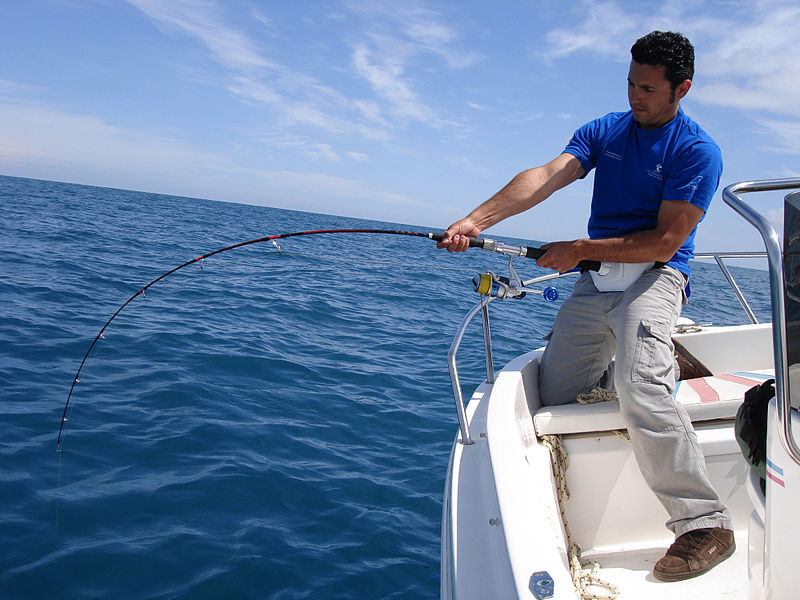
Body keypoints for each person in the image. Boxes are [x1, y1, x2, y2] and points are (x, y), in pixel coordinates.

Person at [437, 30, 734, 582]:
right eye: (629, 83)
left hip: (657, 275)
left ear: (681, 88)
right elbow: (547, 176)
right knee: (555, 396)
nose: (634, 96)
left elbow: (665, 242)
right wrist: (476, 221)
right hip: (596, 281)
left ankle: (705, 523)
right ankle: (653, 346)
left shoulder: (696, 150)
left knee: (641, 385)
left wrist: (578, 250)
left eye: (647, 88)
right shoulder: (606, 131)